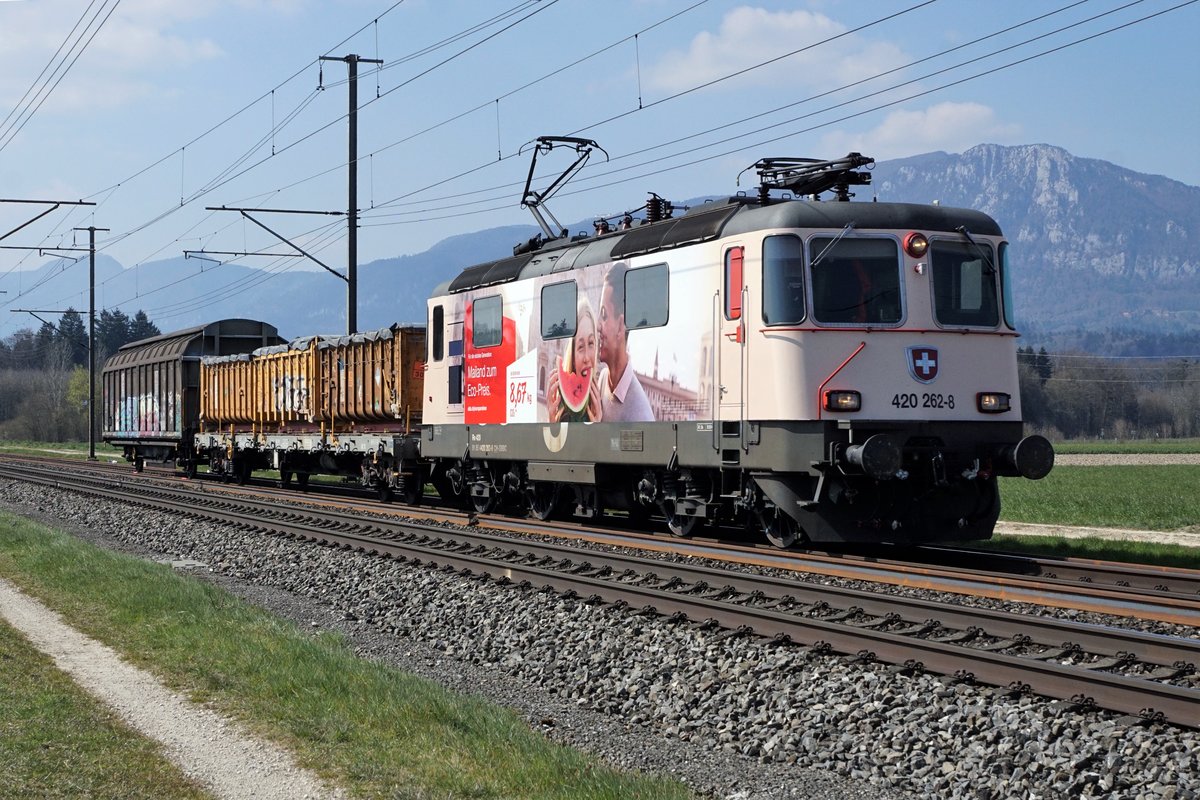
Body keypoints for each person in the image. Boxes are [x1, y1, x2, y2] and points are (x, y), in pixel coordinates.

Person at [597, 262, 654, 421]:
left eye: (604, 315)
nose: (597, 326)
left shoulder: (641, 416)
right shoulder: (603, 378)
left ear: (621, 327)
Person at [546, 296, 603, 423]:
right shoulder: (561, 406)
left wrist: (599, 431)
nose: (587, 358)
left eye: (591, 343)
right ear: (572, 354)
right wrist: (551, 424)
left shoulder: (601, 402)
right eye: (581, 347)